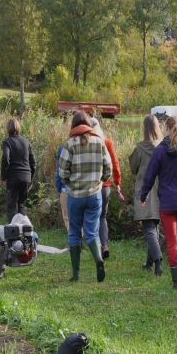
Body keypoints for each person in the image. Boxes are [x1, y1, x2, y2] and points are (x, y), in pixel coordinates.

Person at [140, 116, 177, 290]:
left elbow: (149, 176)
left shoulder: (160, 150)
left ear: (166, 128)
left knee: (172, 241)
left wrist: (143, 195)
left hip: (168, 203)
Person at [58, 111, 111, 282]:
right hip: (95, 195)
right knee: (92, 232)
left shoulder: (69, 144)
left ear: (73, 125)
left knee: (74, 233)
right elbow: (108, 168)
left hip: (75, 195)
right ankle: (98, 260)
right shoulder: (99, 142)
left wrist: (70, 184)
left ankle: (76, 274)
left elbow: (62, 172)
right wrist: (99, 181)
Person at [129, 115, 164, 275]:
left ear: (144, 128)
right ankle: (150, 263)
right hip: (161, 190)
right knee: (154, 225)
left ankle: (158, 261)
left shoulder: (140, 148)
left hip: (145, 190)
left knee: (149, 227)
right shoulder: (163, 147)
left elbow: (133, 167)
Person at [91, 117, 124, 260]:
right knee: (102, 217)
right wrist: (117, 184)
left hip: (90, 187)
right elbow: (115, 165)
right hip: (105, 186)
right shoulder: (107, 143)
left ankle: (95, 247)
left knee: (92, 217)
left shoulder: (85, 143)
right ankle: (104, 245)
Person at [1, 118, 36, 223]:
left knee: (12, 206)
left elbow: (5, 159)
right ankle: (24, 231)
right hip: (26, 176)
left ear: (8, 129)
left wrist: (3, 176)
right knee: (21, 205)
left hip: (13, 177)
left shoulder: (7, 142)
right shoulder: (26, 142)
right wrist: (30, 176)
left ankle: (13, 232)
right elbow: (33, 163)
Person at [54, 142, 69, 231]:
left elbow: (59, 171)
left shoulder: (63, 148)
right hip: (85, 191)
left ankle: (75, 243)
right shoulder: (90, 145)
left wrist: (59, 188)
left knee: (67, 218)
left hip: (66, 189)